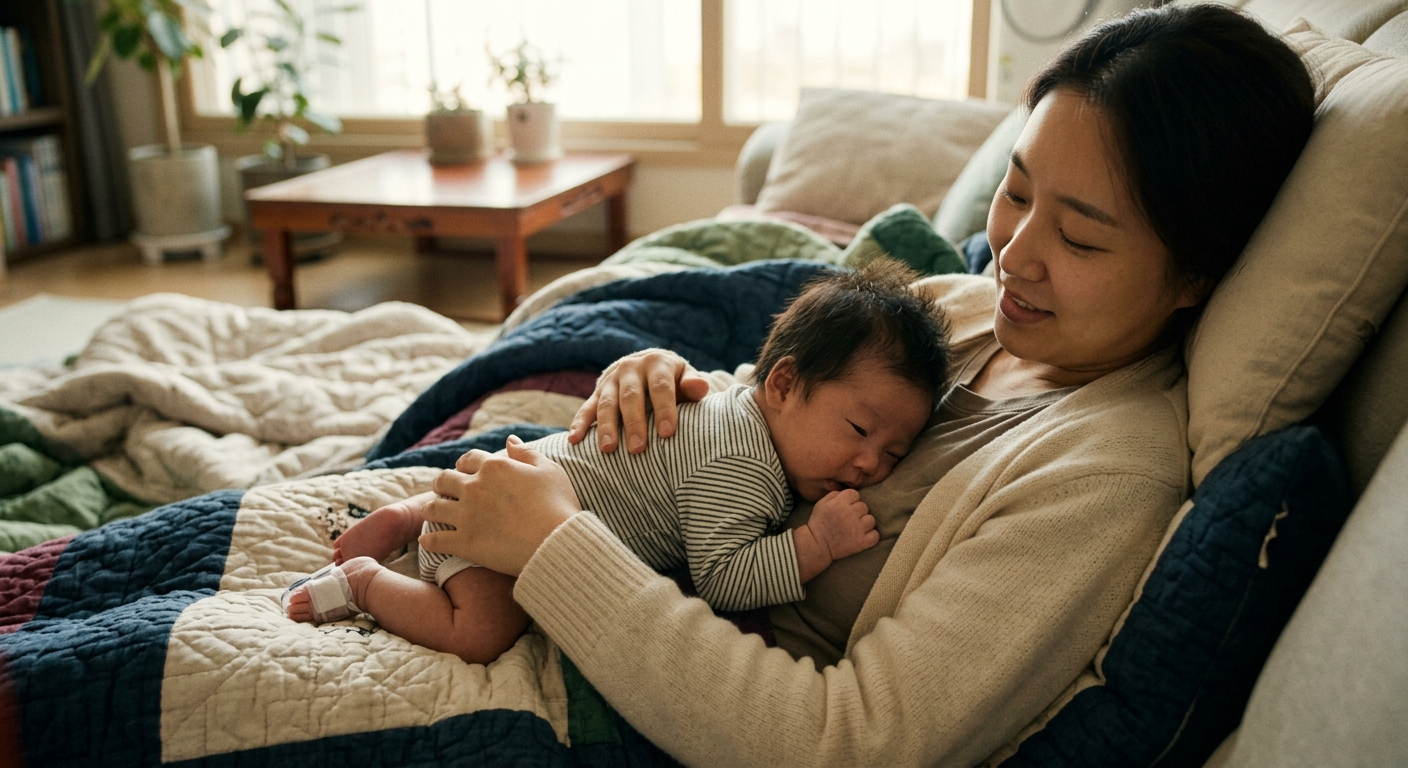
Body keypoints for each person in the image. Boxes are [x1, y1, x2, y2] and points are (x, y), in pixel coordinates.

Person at [412, 5, 1316, 764]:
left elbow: (847, 742)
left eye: (1080, 238)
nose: (1015, 254)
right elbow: (765, 400)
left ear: (1194, 275)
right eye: (1016, 192)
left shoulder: (1101, 479)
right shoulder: (959, 308)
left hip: (641, 658)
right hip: (606, 537)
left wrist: (555, 547)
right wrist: (656, 377)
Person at [283, 261, 951, 664]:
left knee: (482, 499)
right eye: (859, 430)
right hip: (500, 532)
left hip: (505, 477)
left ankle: (410, 515)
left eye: (893, 452)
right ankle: (368, 583)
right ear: (782, 384)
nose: (870, 463)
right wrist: (814, 544)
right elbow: (723, 579)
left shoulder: (729, 407)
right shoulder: (744, 467)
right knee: (480, 633)